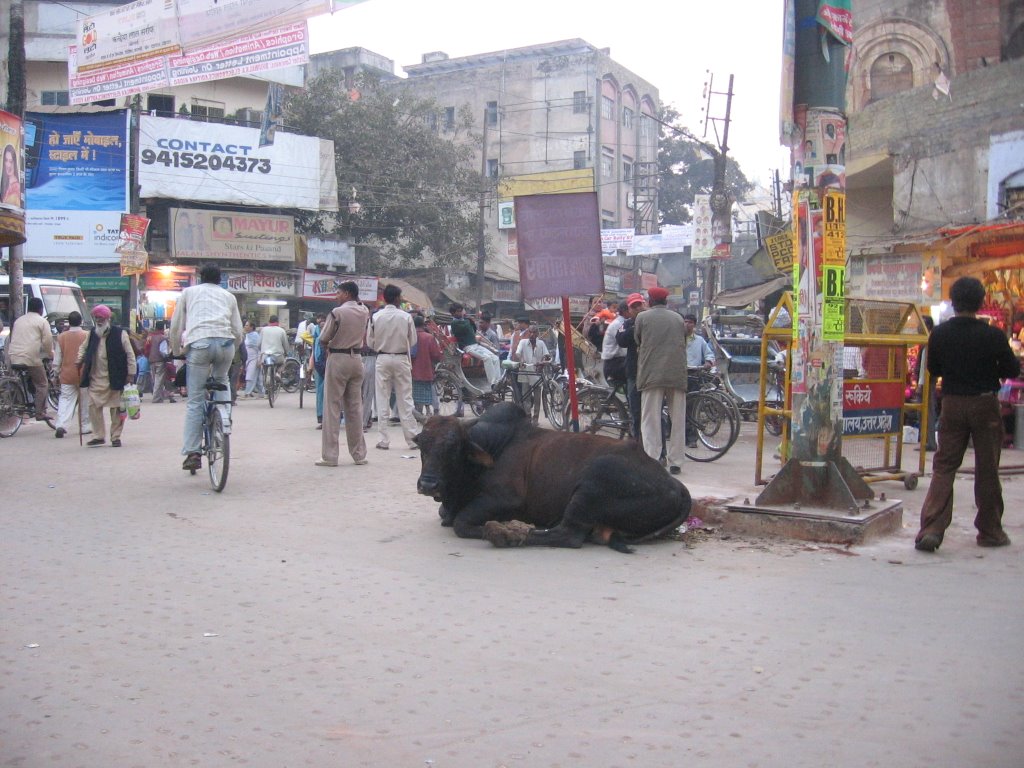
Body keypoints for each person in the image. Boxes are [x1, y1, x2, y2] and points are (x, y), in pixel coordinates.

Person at [914, 277, 1020, 552]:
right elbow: (1011, 369)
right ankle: (990, 531)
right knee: (987, 468)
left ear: (953, 301)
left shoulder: (940, 334)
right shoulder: (993, 335)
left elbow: (933, 368)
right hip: (985, 404)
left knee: (944, 467)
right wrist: (988, 370)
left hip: (952, 403)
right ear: (981, 301)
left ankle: (932, 529)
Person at [170, 263, 243, 471]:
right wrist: (233, 349)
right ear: (220, 279)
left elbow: (177, 325)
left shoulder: (189, 292)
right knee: (221, 381)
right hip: (226, 345)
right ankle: (225, 421)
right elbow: (237, 330)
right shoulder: (229, 296)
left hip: (199, 344)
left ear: (201, 278)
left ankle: (193, 452)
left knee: (195, 399)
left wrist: (177, 349)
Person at [634, 286, 688, 475]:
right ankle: (676, 462)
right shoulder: (678, 318)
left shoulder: (642, 318)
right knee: (678, 419)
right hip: (676, 373)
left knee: (650, 419)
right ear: (666, 302)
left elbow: (638, 340)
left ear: (649, 301)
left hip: (652, 373)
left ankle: (653, 458)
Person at [317, 281, 370, 467]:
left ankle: (330, 456)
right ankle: (359, 454)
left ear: (347, 293)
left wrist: (327, 345)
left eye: (338, 292)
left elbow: (323, 338)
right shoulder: (364, 311)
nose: (336, 296)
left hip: (338, 358)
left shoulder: (337, 313)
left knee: (331, 407)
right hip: (357, 359)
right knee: (355, 408)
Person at [368, 284, 419, 451]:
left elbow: (370, 341)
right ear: (397, 298)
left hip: (382, 358)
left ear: (384, 298)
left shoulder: (376, 317)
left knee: (382, 398)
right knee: (405, 399)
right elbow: (413, 341)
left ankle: (383, 440)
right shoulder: (406, 317)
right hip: (402, 358)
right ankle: (412, 439)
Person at [77, 304, 137, 447]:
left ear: (108, 318)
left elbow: (130, 354)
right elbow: (83, 349)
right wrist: (78, 360)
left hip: (115, 377)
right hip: (96, 378)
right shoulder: (92, 333)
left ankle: (115, 436)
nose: (99, 320)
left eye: (101, 318)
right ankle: (98, 435)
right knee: (93, 406)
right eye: (96, 317)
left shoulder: (120, 333)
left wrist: (131, 373)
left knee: (116, 408)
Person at [6, 296, 54, 423]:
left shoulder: (19, 320)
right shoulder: (41, 321)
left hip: (14, 356)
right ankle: (40, 412)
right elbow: (48, 341)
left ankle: (22, 400)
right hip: (31, 358)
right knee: (42, 383)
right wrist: (50, 354)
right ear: (41, 309)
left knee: (25, 378)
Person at [51, 310, 90, 438]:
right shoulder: (87, 335)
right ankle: (84, 426)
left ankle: (61, 424)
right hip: (84, 374)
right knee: (85, 401)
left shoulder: (62, 337)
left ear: (69, 322)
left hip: (67, 374)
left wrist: (55, 373)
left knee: (65, 400)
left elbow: (58, 358)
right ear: (81, 322)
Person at [615, 293, 647, 441]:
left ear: (645, 304)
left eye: (639, 304)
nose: (638, 308)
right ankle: (636, 446)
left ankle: (660, 452)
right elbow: (621, 339)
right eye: (634, 306)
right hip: (634, 373)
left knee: (654, 414)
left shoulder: (652, 320)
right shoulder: (627, 324)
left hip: (651, 374)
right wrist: (637, 327)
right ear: (629, 309)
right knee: (636, 412)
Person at [683, 313, 716, 448]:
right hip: (679, 375)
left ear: (694, 324)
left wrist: (708, 362)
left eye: (690, 322)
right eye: (685, 322)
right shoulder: (677, 339)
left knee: (692, 408)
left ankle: (691, 438)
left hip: (694, 375)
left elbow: (709, 354)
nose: (687, 324)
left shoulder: (700, 341)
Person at [450, 303, 500, 388]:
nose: (461, 312)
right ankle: (492, 383)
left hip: (475, 345)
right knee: (487, 358)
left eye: (461, 310)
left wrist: (469, 320)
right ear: (453, 313)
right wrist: (469, 320)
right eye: (459, 311)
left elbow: (473, 329)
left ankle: (498, 381)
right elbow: (466, 327)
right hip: (467, 347)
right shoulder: (455, 323)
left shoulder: (465, 320)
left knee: (495, 358)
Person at [514, 325, 551, 425]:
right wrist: (521, 361)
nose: (532, 334)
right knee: (526, 396)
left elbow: (546, 355)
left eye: (534, 332)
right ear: (528, 333)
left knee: (537, 397)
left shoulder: (541, 343)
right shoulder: (523, 342)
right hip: (525, 371)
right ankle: (528, 416)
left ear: (537, 334)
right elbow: (518, 353)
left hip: (536, 372)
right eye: (530, 332)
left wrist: (543, 362)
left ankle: (536, 417)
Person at [411, 314, 442, 418]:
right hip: (427, 370)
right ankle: (435, 410)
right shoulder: (429, 337)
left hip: (412, 371)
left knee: (415, 392)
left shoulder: (410, 337)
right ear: (423, 325)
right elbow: (436, 354)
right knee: (430, 390)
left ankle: (418, 413)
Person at [915, 316, 938, 452]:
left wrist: (920, 385)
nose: (918, 327)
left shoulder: (927, 343)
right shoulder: (927, 342)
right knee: (925, 412)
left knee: (926, 412)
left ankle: (929, 442)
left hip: (926, 383)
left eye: (920, 324)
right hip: (928, 382)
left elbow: (925, 367)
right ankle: (927, 440)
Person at [143, 320, 176, 403]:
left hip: (151, 360)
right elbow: (163, 352)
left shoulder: (150, 336)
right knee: (159, 379)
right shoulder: (162, 338)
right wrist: (169, 356)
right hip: (160, 361)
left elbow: (146, 349)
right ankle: (156, 398)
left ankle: (160, 396)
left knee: (155, 379)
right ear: (163, 328)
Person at [601, 301, 629, 387]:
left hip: (619, 361)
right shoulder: (619, 324)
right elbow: (625, 342)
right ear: (625, 311)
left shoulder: (624, 322)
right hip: (615, 363)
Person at [258, 315, 290, 382]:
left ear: (269, 321)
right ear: (278, 322)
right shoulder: (281, 331)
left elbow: (259, 344)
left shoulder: (263, 330)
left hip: (265, 355)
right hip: (277, 356)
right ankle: (278, 373)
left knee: (264, 366)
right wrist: (287, 352)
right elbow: (285, 344)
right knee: (284, 362)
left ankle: (265, 379)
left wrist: (261, 351)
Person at [241, 320, 262, 397]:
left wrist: (259, 360)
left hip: (254, 358)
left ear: (251, 327)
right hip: (248, 359)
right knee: (257, 377)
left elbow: (259, 348)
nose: (245, 327)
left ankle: (247, 393)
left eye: (247, 325)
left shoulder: (255, 336)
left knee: (250, 376)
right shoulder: (247, 335)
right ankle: (262, 393)